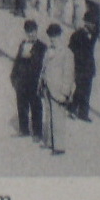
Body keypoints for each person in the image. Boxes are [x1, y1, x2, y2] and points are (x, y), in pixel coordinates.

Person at [9, 19, 47, 140]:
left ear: (37, 31)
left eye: (33, 31)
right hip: (21, 81)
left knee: (36, 107)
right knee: (21, 105)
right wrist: (13, 77)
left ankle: (37, 132)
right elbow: (17, 61)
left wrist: (31, 55)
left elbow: (41, 63)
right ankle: (23, 129)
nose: (31, 34)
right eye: (28, 32)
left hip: (34, 81)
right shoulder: (23, 44)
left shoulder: (41, 46)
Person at [40, 23, 72, 154]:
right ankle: (49, 142)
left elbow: (68, 74)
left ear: (60, 36)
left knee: (58, 117)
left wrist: (65, 92)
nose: (52, 40)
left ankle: (59, 147)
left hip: (58, 89)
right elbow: (44, 67)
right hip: (47, 87)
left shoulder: (66, 53)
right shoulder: (49, 50)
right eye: (50, 37)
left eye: (54, 37)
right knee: (48, 115)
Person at [68, 17, 97, 121]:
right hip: (80, 67)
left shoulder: (92, 35)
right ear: (86, 22)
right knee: (80, 89)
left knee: (86, 91)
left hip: (89, 67)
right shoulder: (77, 35)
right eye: (92, 23)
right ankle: (73, 109)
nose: (94, 26)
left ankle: (83, 113)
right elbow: (71, 50)